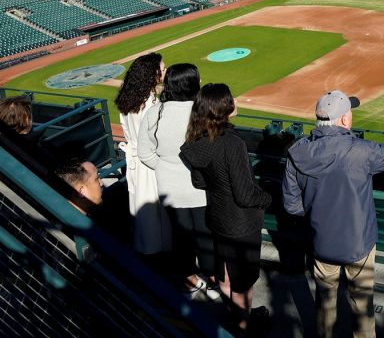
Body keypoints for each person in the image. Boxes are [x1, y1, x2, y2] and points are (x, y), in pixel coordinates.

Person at [281, 90, 384, 338]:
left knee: (325, 303)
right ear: (344, 120)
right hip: (359, 244)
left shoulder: (297, 153)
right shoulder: (360, 151)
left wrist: (317, 215)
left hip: (321, 243)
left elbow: (292, 206)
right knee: (362, 306)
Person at [180, 84, 272, 337]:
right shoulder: (233, 143)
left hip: (217, 217)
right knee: (243, 283)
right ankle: (243, 328)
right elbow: (245, 194)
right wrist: (267, 199)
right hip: (242, 223)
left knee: (225, 277)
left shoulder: (195, 139)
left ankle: (236, 317)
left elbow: (199, 182)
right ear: (225, 108)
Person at [138, 63, 218, 299]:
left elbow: (145, 152)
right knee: (206, 236)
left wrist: (164, 167)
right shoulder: (202, 111)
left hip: (170, 189)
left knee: (181, 238)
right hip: (201, 187)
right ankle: (213, 281)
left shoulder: (156, 112)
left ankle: (189, 282)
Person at [115, 52, 172, 255]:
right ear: (152, 74)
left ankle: (146, 249)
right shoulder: (151, 104)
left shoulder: (127, 98)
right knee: (154, 211)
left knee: (141, 209)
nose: (164, 72)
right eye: (162, 70)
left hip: (135, 161)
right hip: (150, 161)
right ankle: (157, 253)